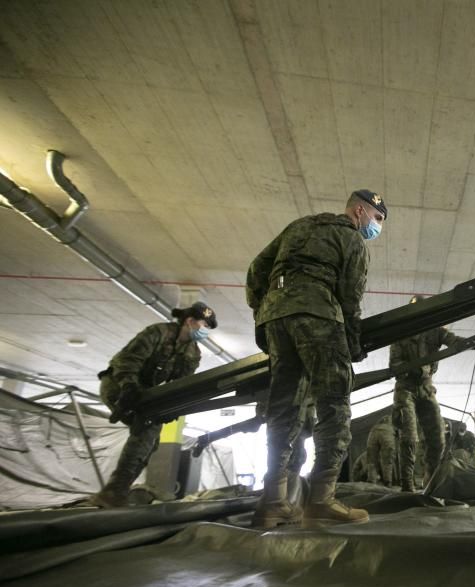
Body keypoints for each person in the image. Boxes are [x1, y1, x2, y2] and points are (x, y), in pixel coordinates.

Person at [246, 189, 386, 528]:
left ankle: (273, 502)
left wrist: (264, 311)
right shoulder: (351, 239)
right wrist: (352, 342)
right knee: (334, 403)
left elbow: (256, 271)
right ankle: (322, 500)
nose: (377, 226)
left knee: (283, 408)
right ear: (358, 211)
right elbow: (350, 298)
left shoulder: (299, 226)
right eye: (377, 218)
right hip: (318, 314)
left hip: (276, 319)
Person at [91, 302, 218, 507]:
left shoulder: (193, 353)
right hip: (117, 385)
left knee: (151, 441)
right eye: (203, 325)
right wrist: (128, 387)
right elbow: (128, 361)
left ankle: (118, 490)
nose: (204, 331)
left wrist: (174, 407)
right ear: (190, 321)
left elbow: (181, 385)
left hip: (145, 395)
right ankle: (113, 492)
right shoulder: (158, 333)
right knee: (147, 431)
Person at [390, 296, 465, 492]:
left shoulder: (435, 331)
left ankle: (430, 482)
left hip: (426, 388)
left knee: (438, 438)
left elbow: (452, 339)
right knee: (409, 437)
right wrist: (410, 369)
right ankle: (407, 486)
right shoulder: (401, 334)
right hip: (406, 388)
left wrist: (466, 343)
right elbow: (394, 364)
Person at [365, 413, 398, 486]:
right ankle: (388, 482)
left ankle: (371, 481)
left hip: (373, 431)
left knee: (371, 460)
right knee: (387, 459)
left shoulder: (386, 416)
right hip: (387, 432)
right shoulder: (400, 416)